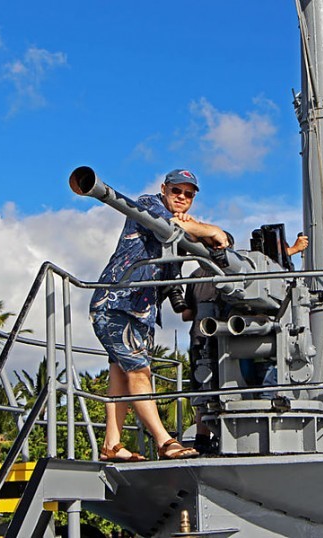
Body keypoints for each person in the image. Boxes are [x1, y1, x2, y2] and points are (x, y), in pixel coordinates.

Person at [90, 169, 230, 462]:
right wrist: (210, 228)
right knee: (139, 373)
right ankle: (164, 440)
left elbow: (188, 244)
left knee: (121, 376)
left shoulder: (180, 222)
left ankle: (111, 445)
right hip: (118, 303)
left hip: (141, 311)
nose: (182, 197)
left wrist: (203, 233)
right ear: (164, 189)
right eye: (177, 191)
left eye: (188, 194)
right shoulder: (148, 204)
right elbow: (168, 227)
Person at [181, 233, 309, 454]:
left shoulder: (195, 276)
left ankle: (202, 438)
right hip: (222, 336)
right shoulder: (226, 278)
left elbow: (185, 313)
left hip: (207, 336)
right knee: (217, 382)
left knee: (205, 387)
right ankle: (268, 399)